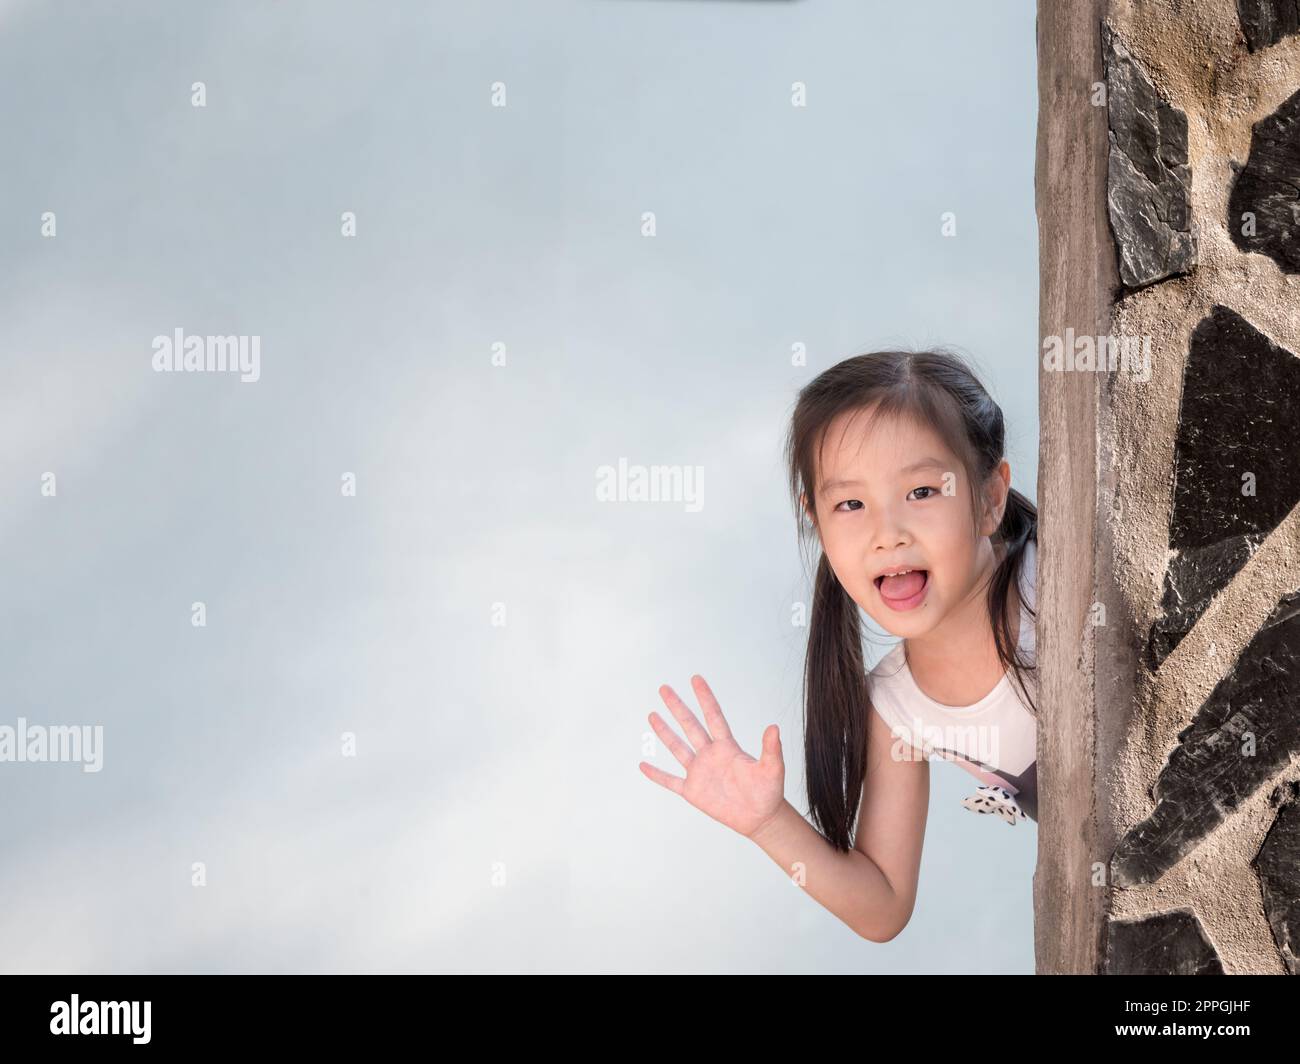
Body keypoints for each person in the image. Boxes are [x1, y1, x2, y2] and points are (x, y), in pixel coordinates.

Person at [637, 349, 1037, 942]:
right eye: (850, 504)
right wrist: (768, 822)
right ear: (817, 523)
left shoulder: (1053, 579)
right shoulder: (896, 708)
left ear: (989, 498)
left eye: (923, 491)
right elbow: (883, 906)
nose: (887, 533)